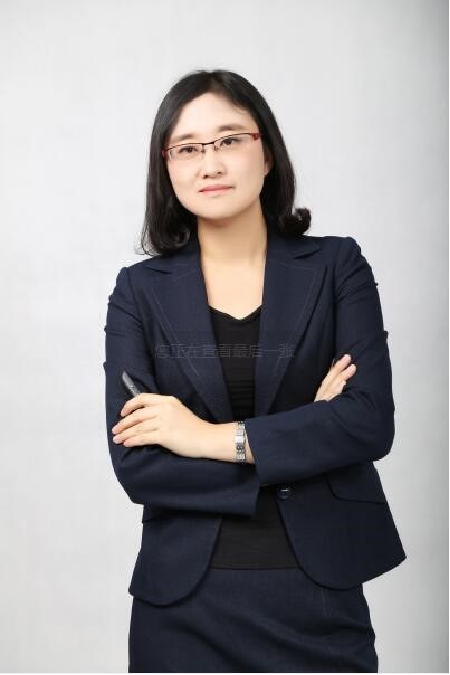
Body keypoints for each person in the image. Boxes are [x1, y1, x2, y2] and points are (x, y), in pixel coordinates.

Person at [103, 68, 407, 673]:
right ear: (167, 169)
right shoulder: (138, 292)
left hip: (319, 599)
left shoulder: (337, 266)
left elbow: (368, 423)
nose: (210, 164)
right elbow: (139, 466)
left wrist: (205, 437)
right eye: (187, 148)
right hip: (182, 609)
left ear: (266, 153)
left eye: (229, 140)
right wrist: (307, 433)